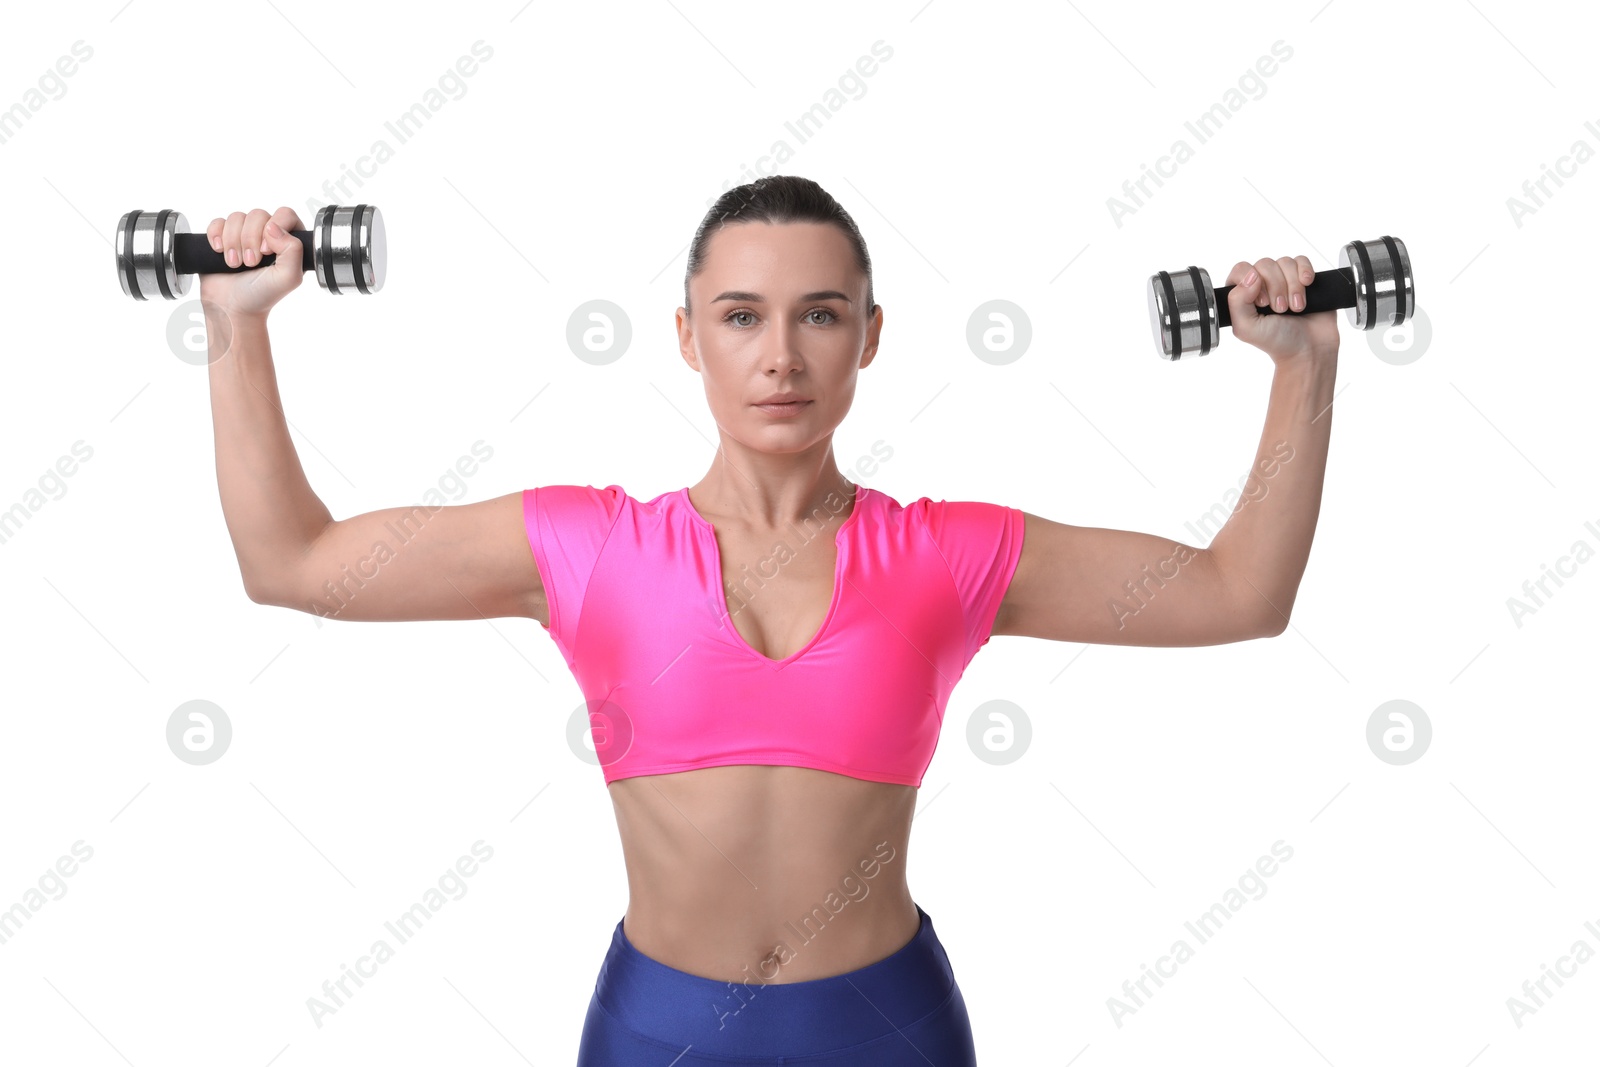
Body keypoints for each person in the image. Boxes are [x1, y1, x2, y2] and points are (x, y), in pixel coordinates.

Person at [200, 175, 1337, 1064]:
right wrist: (236, 322)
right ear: (688, 335)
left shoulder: (950, 554)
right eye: (741, 316)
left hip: (885, 1027)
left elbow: (1239, 593)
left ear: (871, 336)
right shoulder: (584, 548)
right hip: (658, 1033)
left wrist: (1305, 363)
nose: (781, 355)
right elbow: (292, 562)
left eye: (820, 315)